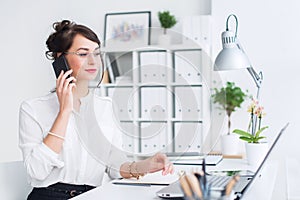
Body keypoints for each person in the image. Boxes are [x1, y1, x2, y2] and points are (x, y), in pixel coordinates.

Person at [19, 20, 174, 200]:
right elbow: (36, 171)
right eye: (83, 54)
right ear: (60, 59)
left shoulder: (106, 107)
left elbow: (115, 166)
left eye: (97, 53)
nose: (93, 61)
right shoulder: (33, 109)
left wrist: (145, 166)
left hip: (94, 195)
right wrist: (64, 111)